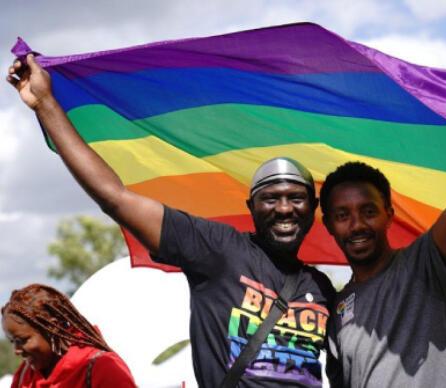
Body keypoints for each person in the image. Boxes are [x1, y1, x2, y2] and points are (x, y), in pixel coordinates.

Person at [7, 55, 335, 387]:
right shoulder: (218, 250)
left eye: (296, 198)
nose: (284, 209)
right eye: (270, 198)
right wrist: (46, 104)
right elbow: (115, 197)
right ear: (251, 207)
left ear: (313, 208)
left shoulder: (321, 289)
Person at [320, 66, 446, 387]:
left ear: (389, 214)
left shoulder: (423, 264)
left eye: (368, 211)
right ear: (329, 226)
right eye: (342, 215)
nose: (357, 224)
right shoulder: (335, 309)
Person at [1, 284, 135, 387]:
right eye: (13, 341)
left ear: (51, 328)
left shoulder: (103, 368)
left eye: (22, 340)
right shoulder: (25, 374)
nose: (16, 351)